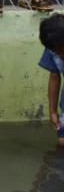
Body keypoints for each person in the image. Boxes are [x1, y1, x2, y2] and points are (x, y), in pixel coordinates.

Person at [38, 14, 64, 146]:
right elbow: (54, 77)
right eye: (57, 51)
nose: (60, 55)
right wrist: (53, 111)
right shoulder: (53, 46)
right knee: (62, 142)